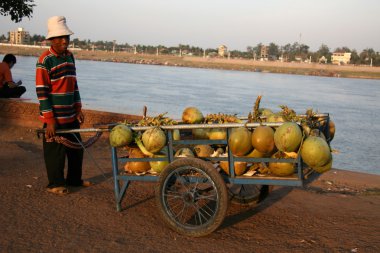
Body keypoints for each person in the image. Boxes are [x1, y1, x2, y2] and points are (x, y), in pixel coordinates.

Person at [36, 16, 92, 195]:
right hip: (55, 117)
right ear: (51, 40)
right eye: (60, 38)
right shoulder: (45, 60)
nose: (64, 41)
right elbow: (42, 92)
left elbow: (73, 84)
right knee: (55, 152)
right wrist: (50, 120)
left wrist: (78, 107)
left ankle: (74, 180)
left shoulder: (70, 56)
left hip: (70, 113)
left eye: (66, 37)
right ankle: (55, 184)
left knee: (76, 150)